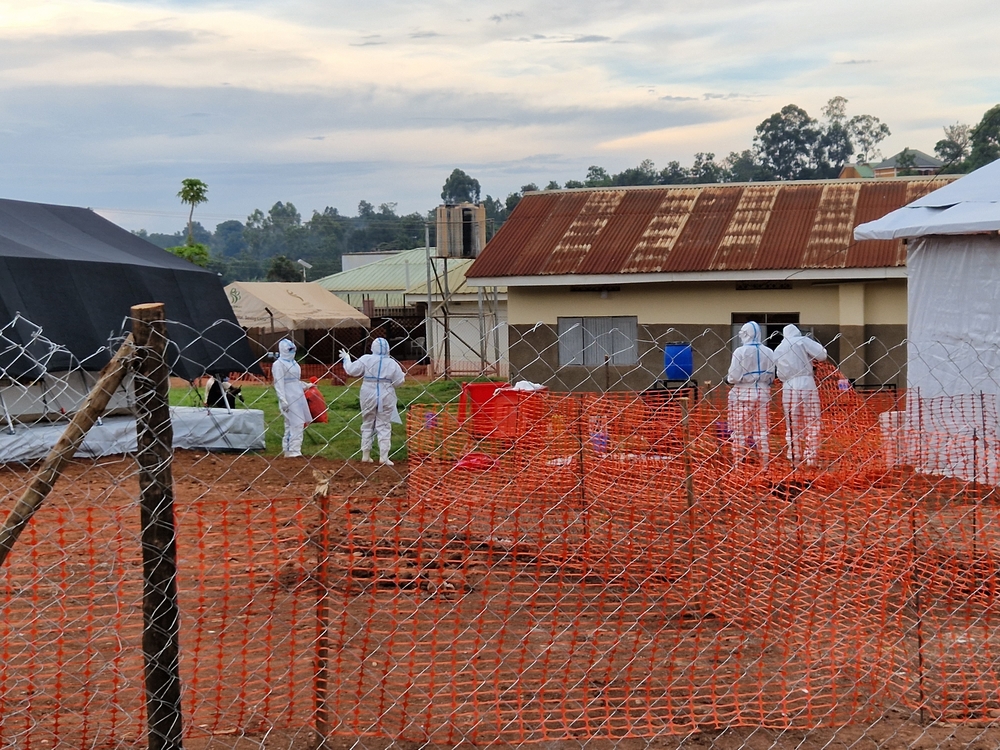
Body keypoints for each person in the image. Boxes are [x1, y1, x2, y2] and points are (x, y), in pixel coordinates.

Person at [341, 337, 405, 465]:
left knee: (367, 422)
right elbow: (399, 382)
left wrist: (346, 359)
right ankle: (384, 457)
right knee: (384, 424)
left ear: (372, 348)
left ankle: (366, 454)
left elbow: (351, 370)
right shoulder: (392, 363)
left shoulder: (366, 359)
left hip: (368, 392)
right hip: (386, 392)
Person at [774, 324, 827, 467]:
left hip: (788, 385)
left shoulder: (779, 349)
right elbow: (822, 354)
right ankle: (811, 456)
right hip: (806, 381)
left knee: (792, 421)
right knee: (812, 419)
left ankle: (794, 453)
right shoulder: (802, 341)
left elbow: (778, 373)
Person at [726, 321, 776, 467]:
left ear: (746, 334)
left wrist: (730, 379)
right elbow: (772, 376)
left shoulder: (740, 352)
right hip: (762, 393)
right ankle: (764, 464)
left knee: (739, 431)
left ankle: (738, 464)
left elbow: (734, 376)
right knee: (762, 431)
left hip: (742, 394)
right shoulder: (769, 352)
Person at [271, 338, 310, 458]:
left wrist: (306, 386)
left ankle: (293, 449)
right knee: (293, 422)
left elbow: (295, 382)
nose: (292, 352)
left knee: (297, 423)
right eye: (289, 350)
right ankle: (291, 449)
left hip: (297, 396)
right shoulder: (278, 364)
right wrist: (283, 399)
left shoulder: (294, 364)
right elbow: (279, 383)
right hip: (288, 396)